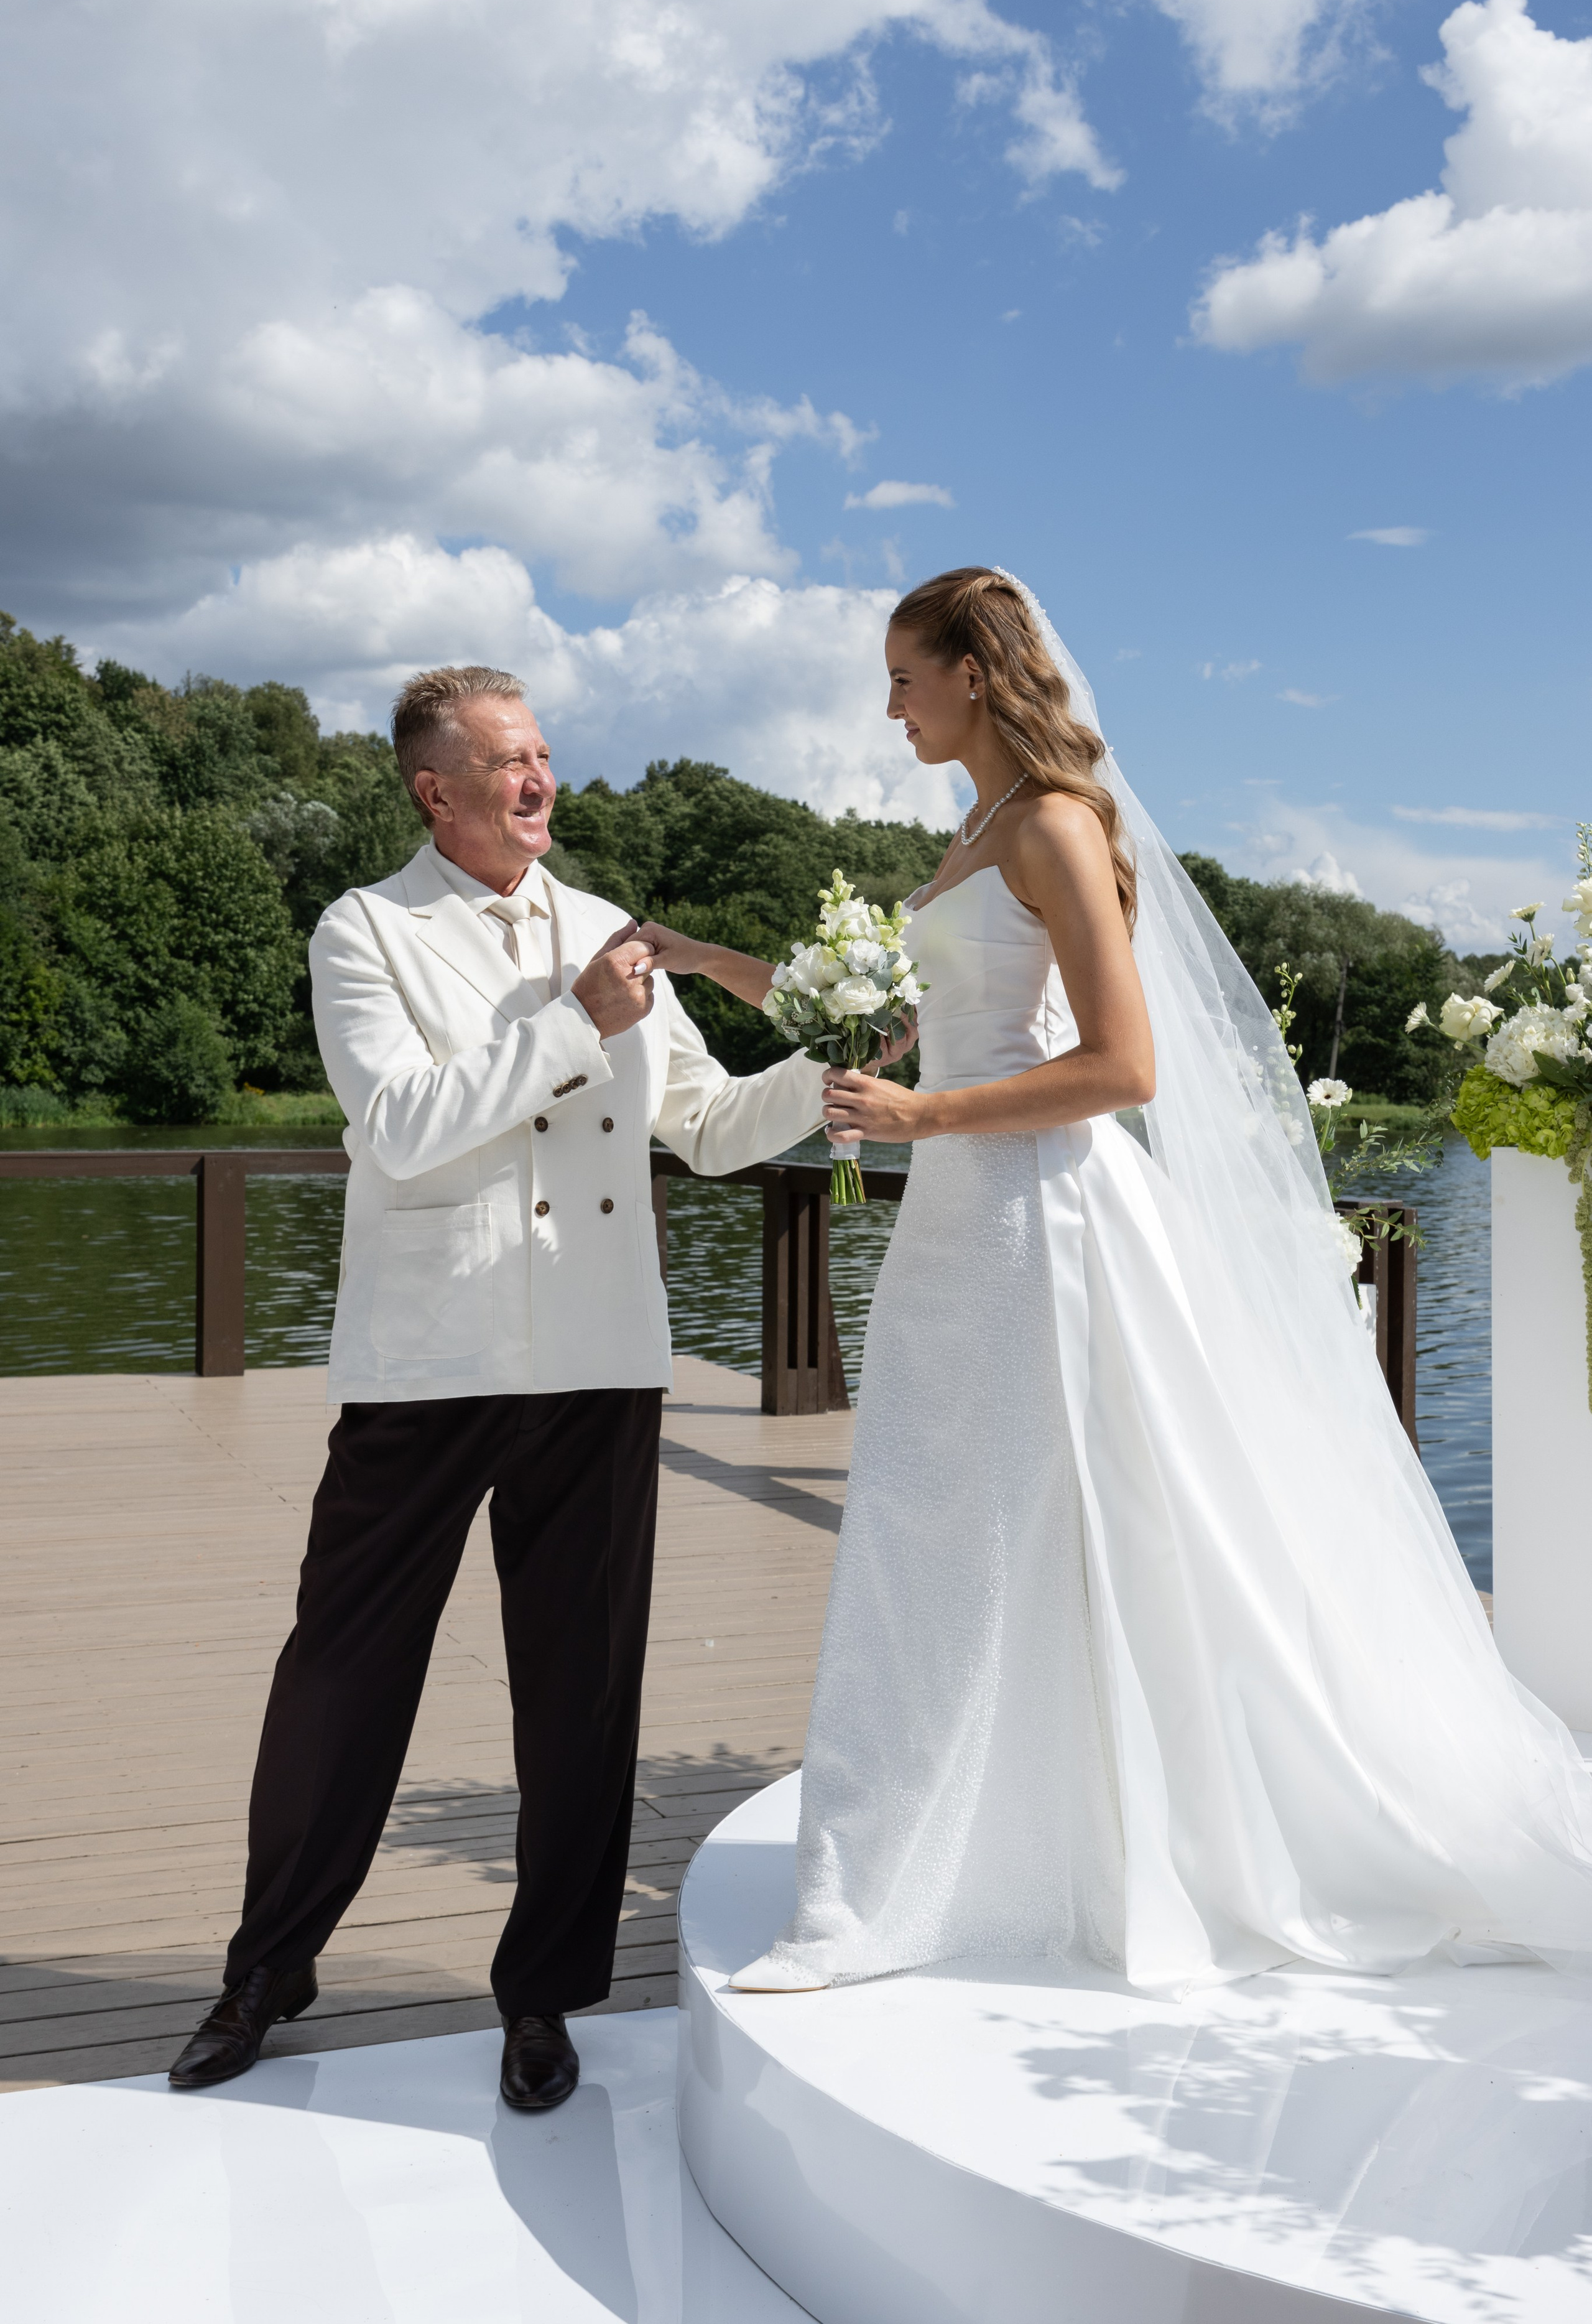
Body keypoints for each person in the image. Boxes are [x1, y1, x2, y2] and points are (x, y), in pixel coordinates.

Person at [644, 567, 1592, 1998]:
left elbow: (1121, 1067)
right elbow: (887, 1022)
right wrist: (695, 958)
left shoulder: (1052, 826)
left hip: (1041, 1221)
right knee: (946, 1525)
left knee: (1040, 1522)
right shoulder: (972, 832)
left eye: (903, 676)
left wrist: (920, 1118)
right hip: (957, 1223)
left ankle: (965, 1872)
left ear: (973, 674)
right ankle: (960, 1857)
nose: (888, 706)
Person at [167, 665, 826, 2105]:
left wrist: (829, 1072)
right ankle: (268, 1969)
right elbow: (401, 1126)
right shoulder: (366, 929)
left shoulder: (609, 929)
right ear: (435, 791)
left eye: (541, 754)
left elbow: (709, 1126)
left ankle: (544, 1996)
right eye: (507, 761)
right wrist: (576, 1023)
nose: (538, 780)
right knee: (340, 1677)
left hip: (599, 1357)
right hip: (428, 1360)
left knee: (581, 1692)